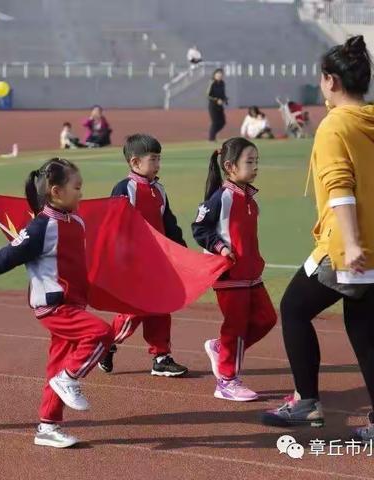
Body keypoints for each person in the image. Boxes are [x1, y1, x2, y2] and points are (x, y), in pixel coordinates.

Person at [261, 35, 374, 442]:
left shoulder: (335, 126)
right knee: (363, 330)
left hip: (346, 247)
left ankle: (307, 403)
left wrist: (353, 241)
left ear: (331, 81)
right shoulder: (369, 120)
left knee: (293, 308)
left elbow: (340, 185)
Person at [0, 158, 114, 449]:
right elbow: (8, 255)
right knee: (102, 333)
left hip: (74, 305)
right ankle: (70, 378)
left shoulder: (76, 221)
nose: (81, 193)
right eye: (77, 187)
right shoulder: (41, 227)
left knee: (57, 366)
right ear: (56, 192)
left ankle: (48, 426)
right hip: (55, 307)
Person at [192, 138, 277, 401]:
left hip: (251, 274)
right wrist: (221, 248)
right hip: (230, 276)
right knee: (236, 327)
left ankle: (221, 348)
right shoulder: (221, 197)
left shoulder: (249, 197)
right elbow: (199, 228)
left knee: (267, 319)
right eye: (249, 162)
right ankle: (226, 381)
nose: (255, 167)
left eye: (256, 162)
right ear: (229, 166)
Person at [98, 134, 188, 377]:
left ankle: (161, 357)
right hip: (134, 264)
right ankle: (106, 344)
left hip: (158, 262)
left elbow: (168, 223)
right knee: (136, 310)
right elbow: (115, 225)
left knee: (162, 307)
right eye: (154, 159)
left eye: (160, 159)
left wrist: (181, 249)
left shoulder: (159, 189)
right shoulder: (125, 188)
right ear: (135, 162)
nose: (158, 164)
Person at [207, 69, 228, 142]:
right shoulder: (212, 83)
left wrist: (225, 99)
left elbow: (223, 94)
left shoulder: (222, 83)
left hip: (220, 106)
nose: (219, 76)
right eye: (218, 74)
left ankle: (212, 135)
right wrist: (216, 100)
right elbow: (208, 95)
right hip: (213, 106)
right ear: (214, 75)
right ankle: (211, 138)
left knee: (222, 122)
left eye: (221, 74)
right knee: (215, 122)